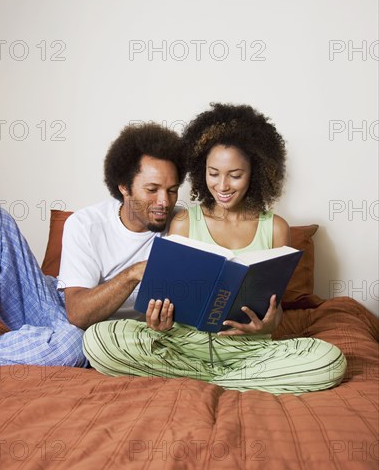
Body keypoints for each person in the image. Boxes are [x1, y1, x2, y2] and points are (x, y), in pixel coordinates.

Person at [83, 103, 347, 394]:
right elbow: (169, 302)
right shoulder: (183, 222)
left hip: (247, 351)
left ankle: (203, 380)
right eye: (213, 173)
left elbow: (275, 311)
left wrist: (269, 324)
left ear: (254, 173)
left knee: (329, 361)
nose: (222, 185)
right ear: (200, 171)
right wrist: (160, 322)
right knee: (98, 339)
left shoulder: (276, 228)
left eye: (235, 175)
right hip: (184, 346)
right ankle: (235, 382)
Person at [0, 123, 186, 369]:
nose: (164, 201)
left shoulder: (183, 225)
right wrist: (133, 273)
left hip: (93, 336)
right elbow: (77, 313)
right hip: (56, 305)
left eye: (172, 190)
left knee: (71, 346)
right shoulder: (86, 224)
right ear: (124, 188)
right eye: (152, 189)